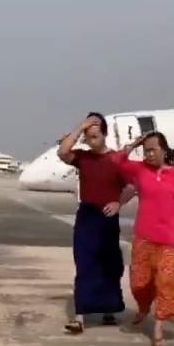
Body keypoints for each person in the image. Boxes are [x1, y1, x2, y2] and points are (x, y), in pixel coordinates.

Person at [114, 131, 174, 346]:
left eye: (153, 150)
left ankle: (158, 328)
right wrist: (134, 144)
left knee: (165, 281)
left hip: (168, 240)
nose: (149, 154)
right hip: (143, 237)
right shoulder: (138, 170)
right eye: (146, 150)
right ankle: (144, 307)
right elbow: (116, 162)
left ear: (164, 150)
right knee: (139, 282)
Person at [56, 113, 129, 333]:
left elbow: (132, 186)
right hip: (87, 215)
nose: (91, 141)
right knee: (84, 263)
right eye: (88, 137)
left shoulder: (117, 159)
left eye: (95, 136)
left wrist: (118, 202)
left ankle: (109, 309)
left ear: (105, 134)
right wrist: (81, 127)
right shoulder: (82, 157)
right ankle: (80, 316)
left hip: (107, 217)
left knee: (109, 264)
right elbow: (62, 151)